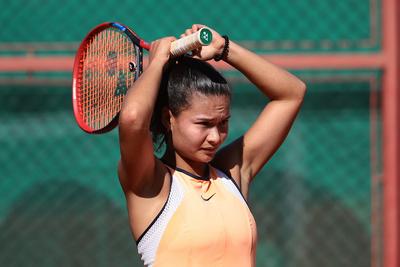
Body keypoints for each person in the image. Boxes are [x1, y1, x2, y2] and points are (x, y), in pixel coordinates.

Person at [117, 24, 306, 267]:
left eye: (223, 123)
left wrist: (223, 48)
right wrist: (157, 63)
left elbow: (292, 94)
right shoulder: (151, 184)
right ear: (168, 119)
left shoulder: (232, 175)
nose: (216, 137)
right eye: (204, 124)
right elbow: (132, 118)